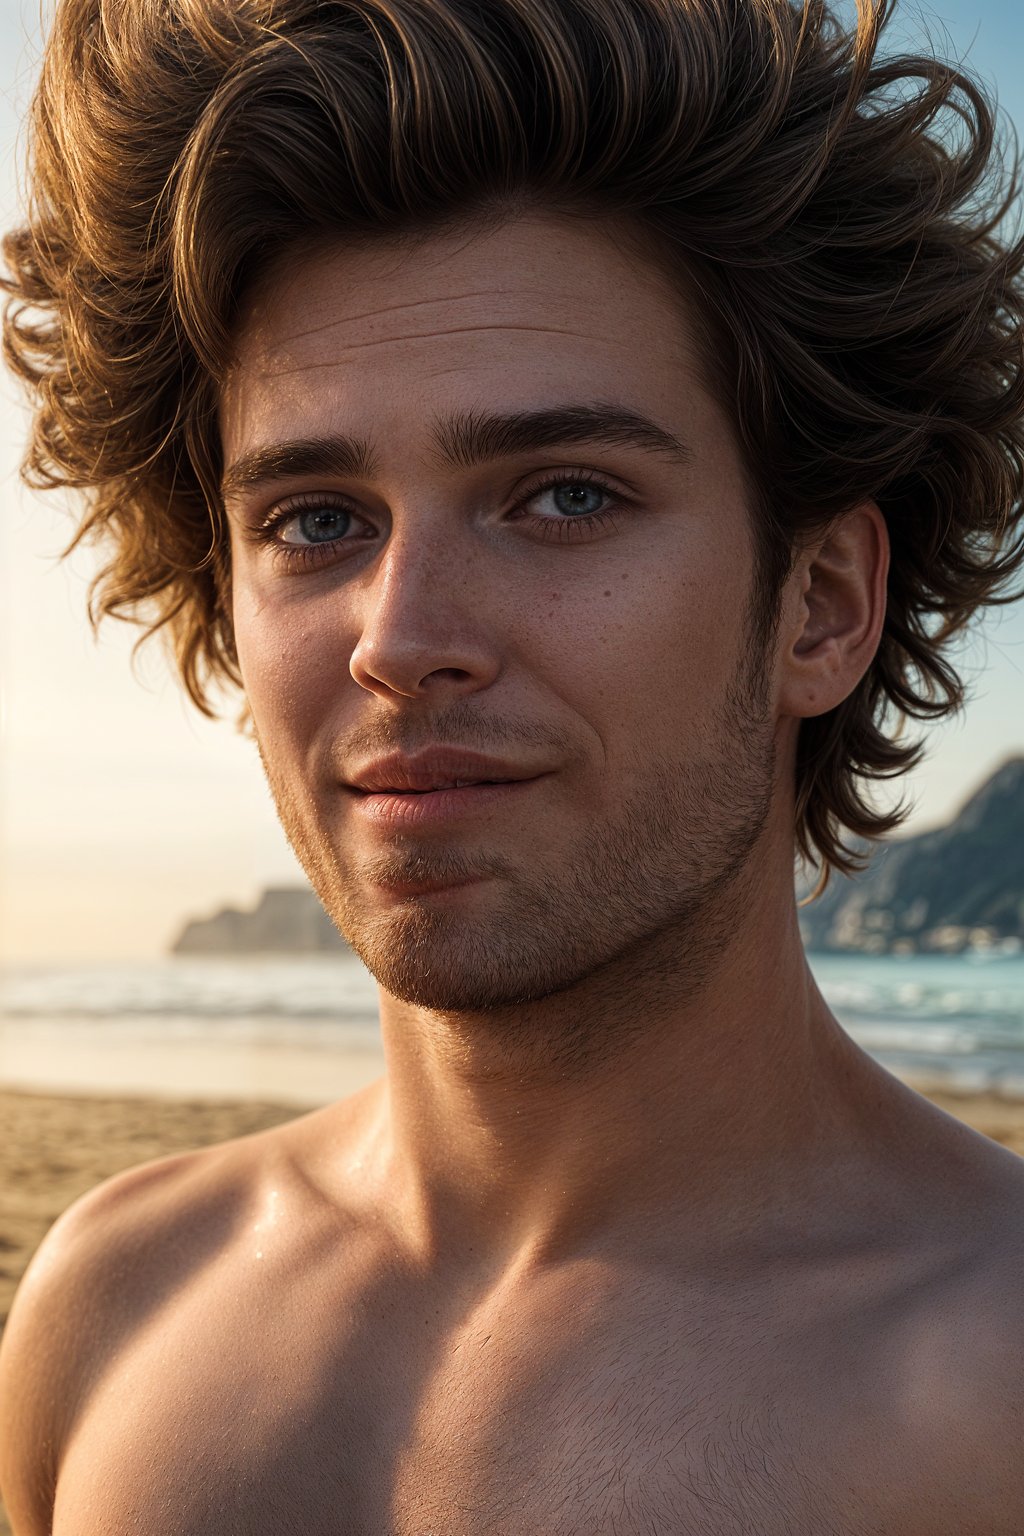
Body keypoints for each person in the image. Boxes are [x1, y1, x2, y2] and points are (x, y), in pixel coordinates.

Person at [2, 0, 1023, 1529]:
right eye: (316, 520)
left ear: (822, 605)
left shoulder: (989, 1390)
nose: (400, 637)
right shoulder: (109, 1308)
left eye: (562, 496)